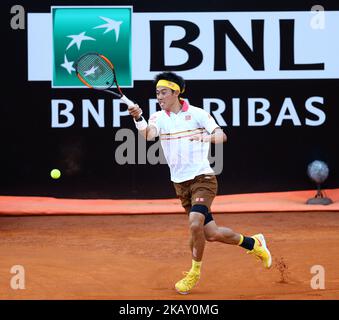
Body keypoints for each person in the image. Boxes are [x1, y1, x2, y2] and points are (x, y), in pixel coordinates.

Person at [128, 72, 272, 295]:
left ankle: (194, 273)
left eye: (163, 92)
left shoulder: (198, 114)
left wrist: (206, 137)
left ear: (176, 92)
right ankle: (253, 243)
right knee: (211, 234)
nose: (159, 96)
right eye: (157, 93)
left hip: (203, 178)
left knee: (195, 223)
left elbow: (221, 136)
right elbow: (148, 135)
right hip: (180, 184)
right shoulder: (158, 117)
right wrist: (138, 118)